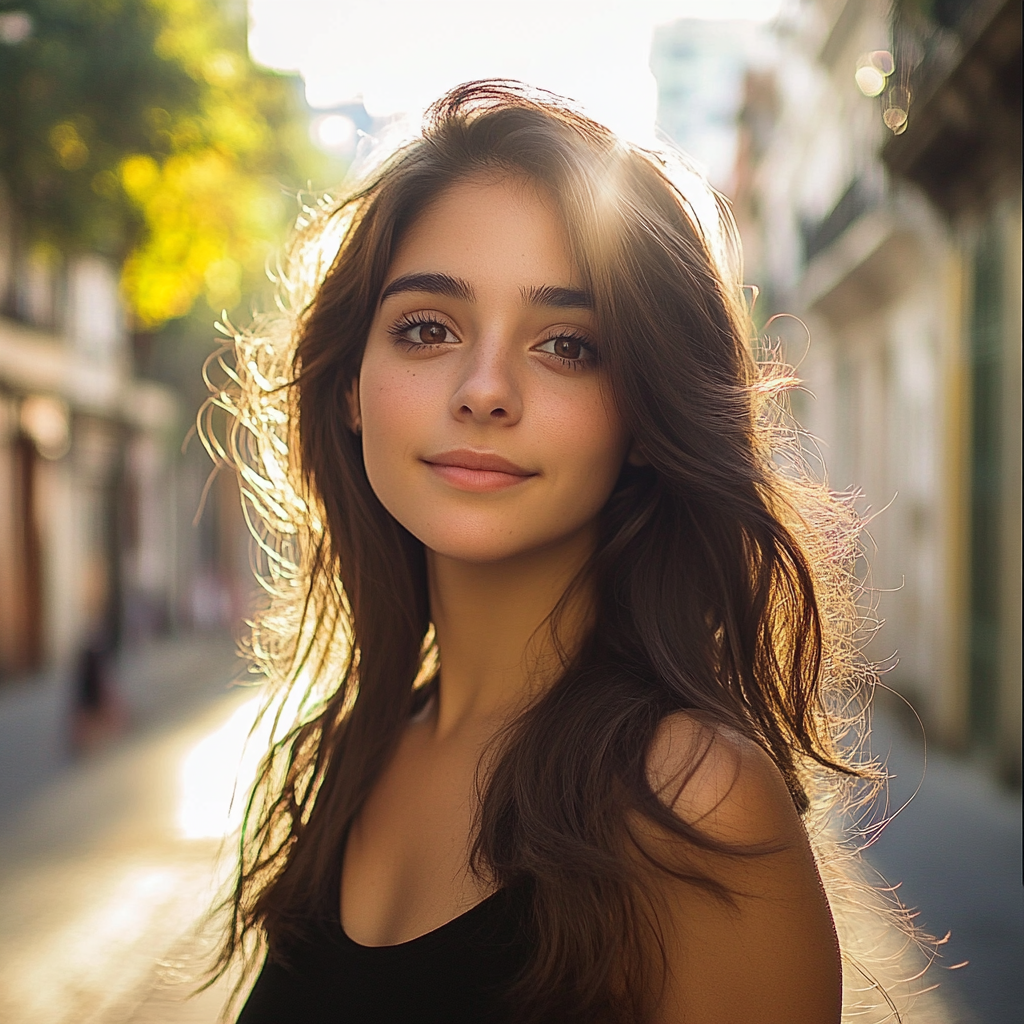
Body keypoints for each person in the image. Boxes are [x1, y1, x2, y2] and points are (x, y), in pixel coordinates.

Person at [212, 81, 894, 1024]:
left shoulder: (690, 801)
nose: (485, 389)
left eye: (568, 344)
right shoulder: (351, 755)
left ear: (647, 416)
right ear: (351, 390)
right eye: (427, 328)